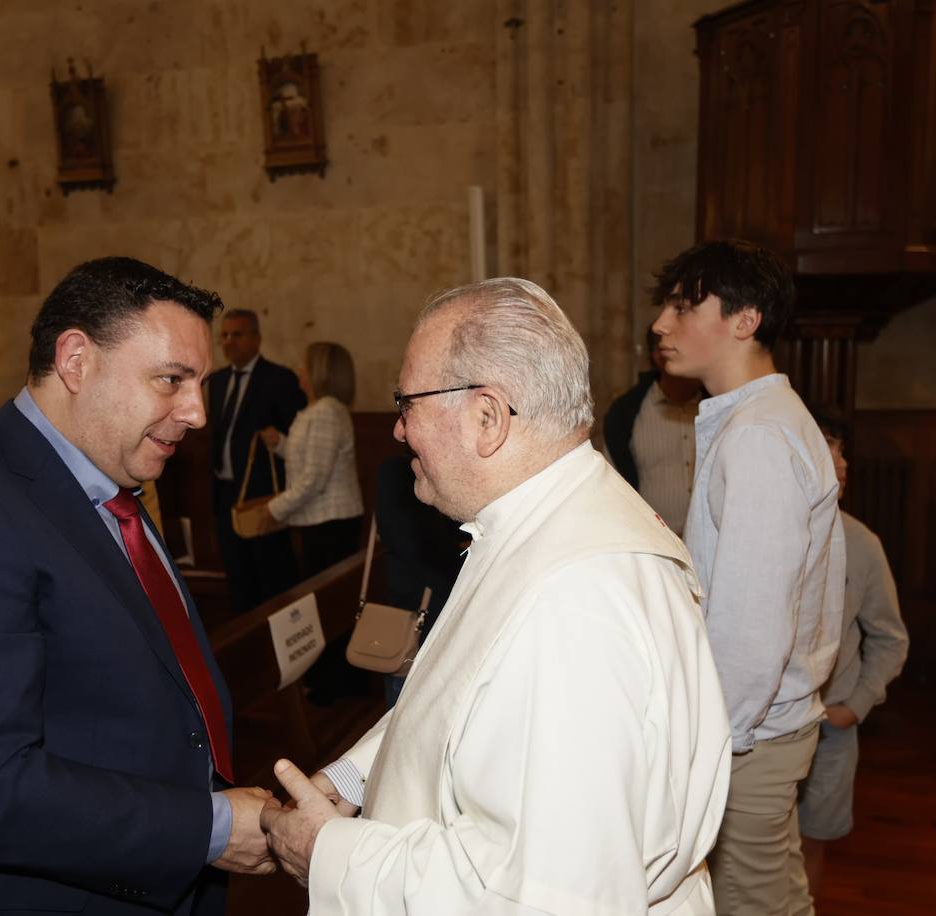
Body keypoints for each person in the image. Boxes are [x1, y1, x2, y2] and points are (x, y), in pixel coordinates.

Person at [260, 277, 732, 915]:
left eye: (407, 403)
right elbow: (463, 697)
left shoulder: (573, 603)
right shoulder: (547, 523)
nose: (399, 432)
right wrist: (355, 778)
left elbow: (541, 897)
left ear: (486, 417)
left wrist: (330, 853)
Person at [0, 258, 279, 915]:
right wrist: (209, 828)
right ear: (75, 360)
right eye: (172, 380)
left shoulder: (114, 489)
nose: (195, 413)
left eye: (202, 385)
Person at [651, 239, 845, 916]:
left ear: (745, 319)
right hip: (756, 728)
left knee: (756, 905)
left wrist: (709, 747)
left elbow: (753, 630)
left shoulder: (759, 435)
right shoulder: (752, 421)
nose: (660, 325)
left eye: (683, 306)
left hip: (747, 738)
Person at [791, 410, 909, 908]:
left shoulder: (862, 544)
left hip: (832, 728)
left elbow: (889, 637)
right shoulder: (770, 536)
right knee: (759, 845)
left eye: (842, 451)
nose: (842, 464)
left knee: (813, 839)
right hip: (770, 725)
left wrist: (856, 704)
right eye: (827, 449)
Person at [207, 308, 305, 613]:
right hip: (225, 494)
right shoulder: (217, 381)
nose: (228, 341)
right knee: (237, 576)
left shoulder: (279, 378)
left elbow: (296, 439)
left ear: (257, 339)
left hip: (264, 496)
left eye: (237, 334)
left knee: (272, 576)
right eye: (224, 335)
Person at [258, 341, 364, 577]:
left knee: (327, 599)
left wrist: (275, 509)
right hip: (324, 522)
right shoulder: (321, 409)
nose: (299, 369)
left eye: (304, 365)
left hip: (330, 524)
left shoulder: (325, 411)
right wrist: (280, 444)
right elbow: (312, 460)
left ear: (320, 371)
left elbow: (315, 478)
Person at [372, 453, 466, 707]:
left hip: (432, 587)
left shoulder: (435, 462)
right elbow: (409, 542)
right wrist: (459, 578)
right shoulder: (398, 470)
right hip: (420, 592)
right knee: (407, 687)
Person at [603, 326, 703, 534]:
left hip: (711, 543)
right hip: (654, 545)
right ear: (658, 355)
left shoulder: (718, 407)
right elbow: (612, 489)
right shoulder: (626, 412)